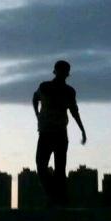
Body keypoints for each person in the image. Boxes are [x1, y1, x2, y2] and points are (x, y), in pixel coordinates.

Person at [32, 60, 87, 206]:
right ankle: (54, 196)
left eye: (65, 71)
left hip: (60, 134)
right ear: (56, 71)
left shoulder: (69, 91)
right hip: (46, 133)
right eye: (61, 71)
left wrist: (82, 130)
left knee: (59, 169)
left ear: (67, 73)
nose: (63, 74)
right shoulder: (44, 86)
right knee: (42, 165)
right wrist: (37, 114)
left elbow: (74, 112)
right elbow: (35, 98)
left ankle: (59, 199)